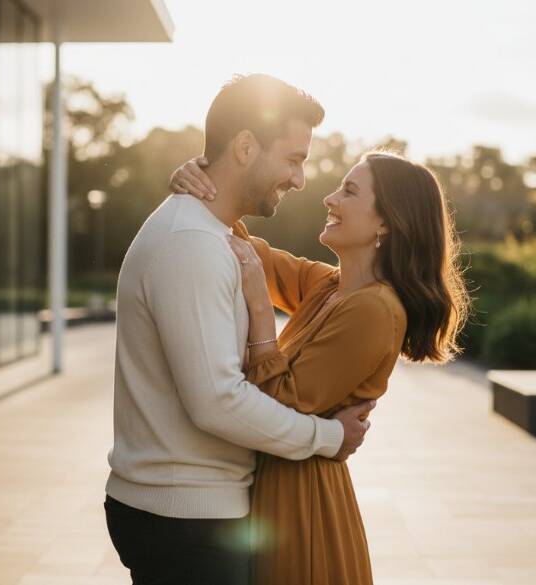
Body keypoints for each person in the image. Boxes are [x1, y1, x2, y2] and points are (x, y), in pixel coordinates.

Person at [105, 73, 375, 585]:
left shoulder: (211, 234)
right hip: (183, 521)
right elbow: (217, 401)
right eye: (293, 159)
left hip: (189, 514)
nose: (300, 179)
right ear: (247, 147)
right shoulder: (192, 243)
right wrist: (329, 436)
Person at [169, 148, 469, 584]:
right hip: (278, 487)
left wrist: (260, 308)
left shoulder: (375, 310)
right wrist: (202, 180)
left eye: (349, 191)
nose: (329, 198)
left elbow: (279, 401)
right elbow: (249, 252)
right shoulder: (331, 286)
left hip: (302, 506)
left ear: (386, 222)